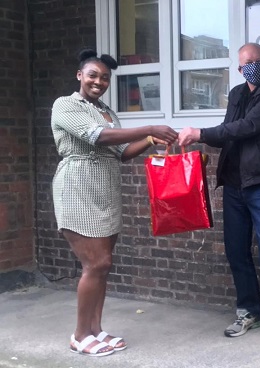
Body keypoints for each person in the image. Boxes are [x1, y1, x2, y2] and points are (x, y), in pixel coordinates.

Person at [177, 43, 260, 352]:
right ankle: (249, 312)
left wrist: (201, 133)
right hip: (234, 184)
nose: (253, 66)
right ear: (239, 68)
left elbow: (247, 127)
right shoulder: (236, 94)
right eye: (247, 63)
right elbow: (229, 130)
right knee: (237, 252)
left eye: (258, 61)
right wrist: (204, 141)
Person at [52, 49, 178, 357]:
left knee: (103, 267)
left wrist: (149, 141)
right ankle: (80, 335)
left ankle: (96, 329)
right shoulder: (65, 105)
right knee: (96, 263)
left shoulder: (107, 111)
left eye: (105, 77)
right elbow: (98, 137)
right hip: (77, 189)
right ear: (79, 75)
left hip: (106, 192)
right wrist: (149, 127)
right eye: (92, 75)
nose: (98, 82)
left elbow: (120, 151)